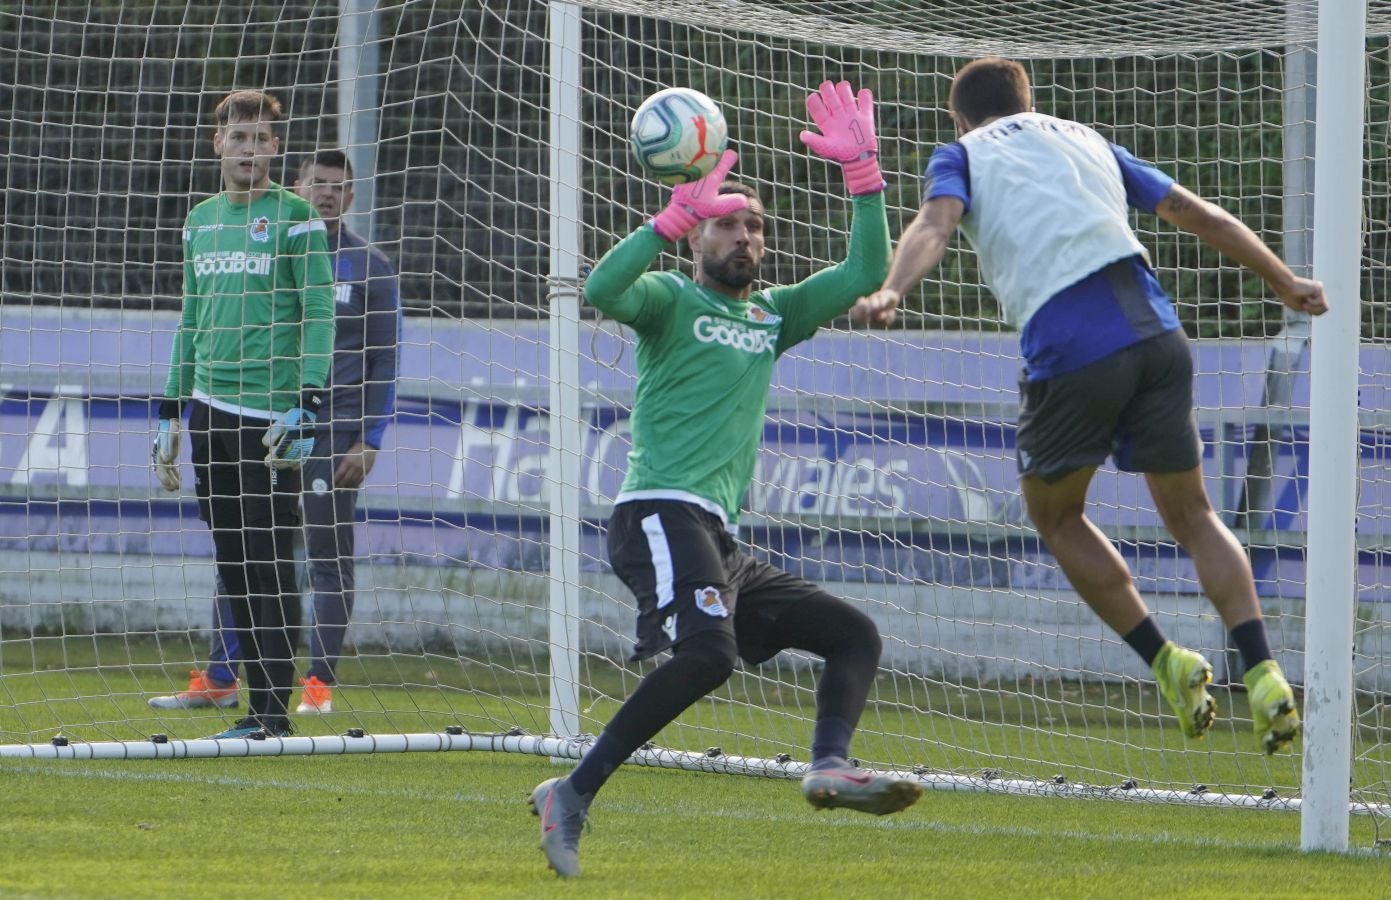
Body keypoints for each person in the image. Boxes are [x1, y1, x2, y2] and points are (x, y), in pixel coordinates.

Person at [854, 57, 1328, 756]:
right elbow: (1198, 213)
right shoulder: (1087, 139)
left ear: (959, 119)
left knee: (1056, 515)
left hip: (1072, 344)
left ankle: (1166, 660)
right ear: (1030, 102)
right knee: (1194, 515)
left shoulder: (962, 154)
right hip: (1158, 333)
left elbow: (935, 223)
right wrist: (1284, 281)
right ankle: (1261, 671)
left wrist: (894, 288)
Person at [528, 81, 921, 879]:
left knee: (852, 634)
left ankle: (827, 767)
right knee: (708, 657)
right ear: (697, 236)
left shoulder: (772, 315)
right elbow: (601, 290)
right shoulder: (670, 298)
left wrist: (864, 178)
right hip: (657, 511)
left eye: (754, 226)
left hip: (717, 537)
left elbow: (863, 271)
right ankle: (571, 792)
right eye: (726, 223)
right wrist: (665, 221)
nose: (744, 235)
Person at [149, 149, 400, 716]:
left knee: (323, 554)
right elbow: (201, 318)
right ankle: (221, 675)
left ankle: (317, 682)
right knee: (243, 548)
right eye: (318, 183)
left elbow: (385, 357)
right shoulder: (261, 244)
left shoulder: (370, 267)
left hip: (331, 430)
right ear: (297, 186)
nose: (327, 193)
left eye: (338, 186)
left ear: (351, 198)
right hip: (265, 419)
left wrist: (371, 436)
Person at [150, 90, 335, 739]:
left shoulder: (296, 218)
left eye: (261, 139)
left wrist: (308, 401)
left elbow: (319, 312)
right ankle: (254, 710)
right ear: (218, 144)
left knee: (269, 565)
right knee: (232, 564)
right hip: (209, 412)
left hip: (270, 422)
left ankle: (271, 714)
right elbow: (191, 319)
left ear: (276, 149)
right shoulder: (199, 220)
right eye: (239, 137)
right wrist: (170, 410)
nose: (249, 149)